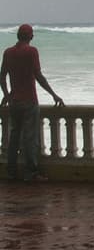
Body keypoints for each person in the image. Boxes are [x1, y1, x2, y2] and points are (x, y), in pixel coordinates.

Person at [1, 24, 65, 181]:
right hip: (29, 101)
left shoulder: (8, 52)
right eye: (32, 34)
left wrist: (7, 95)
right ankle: (31, 173)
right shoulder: (31, 51)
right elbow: (38, 76)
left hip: (14, 102)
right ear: (29, 36)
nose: (33, 37)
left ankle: (11, 171)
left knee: (14, 137)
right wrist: (54, 95)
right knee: (30, 138)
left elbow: (2, 76)